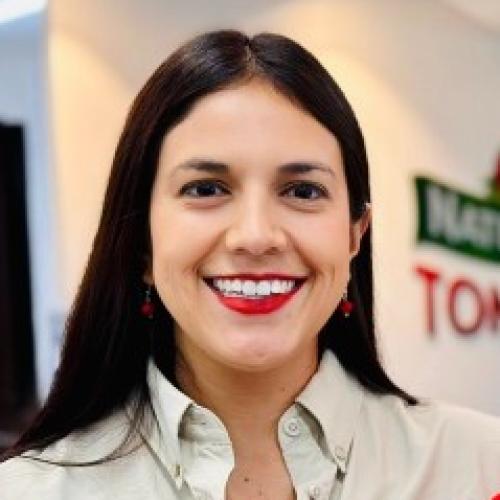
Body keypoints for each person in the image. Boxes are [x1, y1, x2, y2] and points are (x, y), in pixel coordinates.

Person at [1, 29, 499, 500]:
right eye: (205, 189)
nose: (256, 236)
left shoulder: (480, 468)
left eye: (303, 191)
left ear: (355, 235)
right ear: (142, 244)